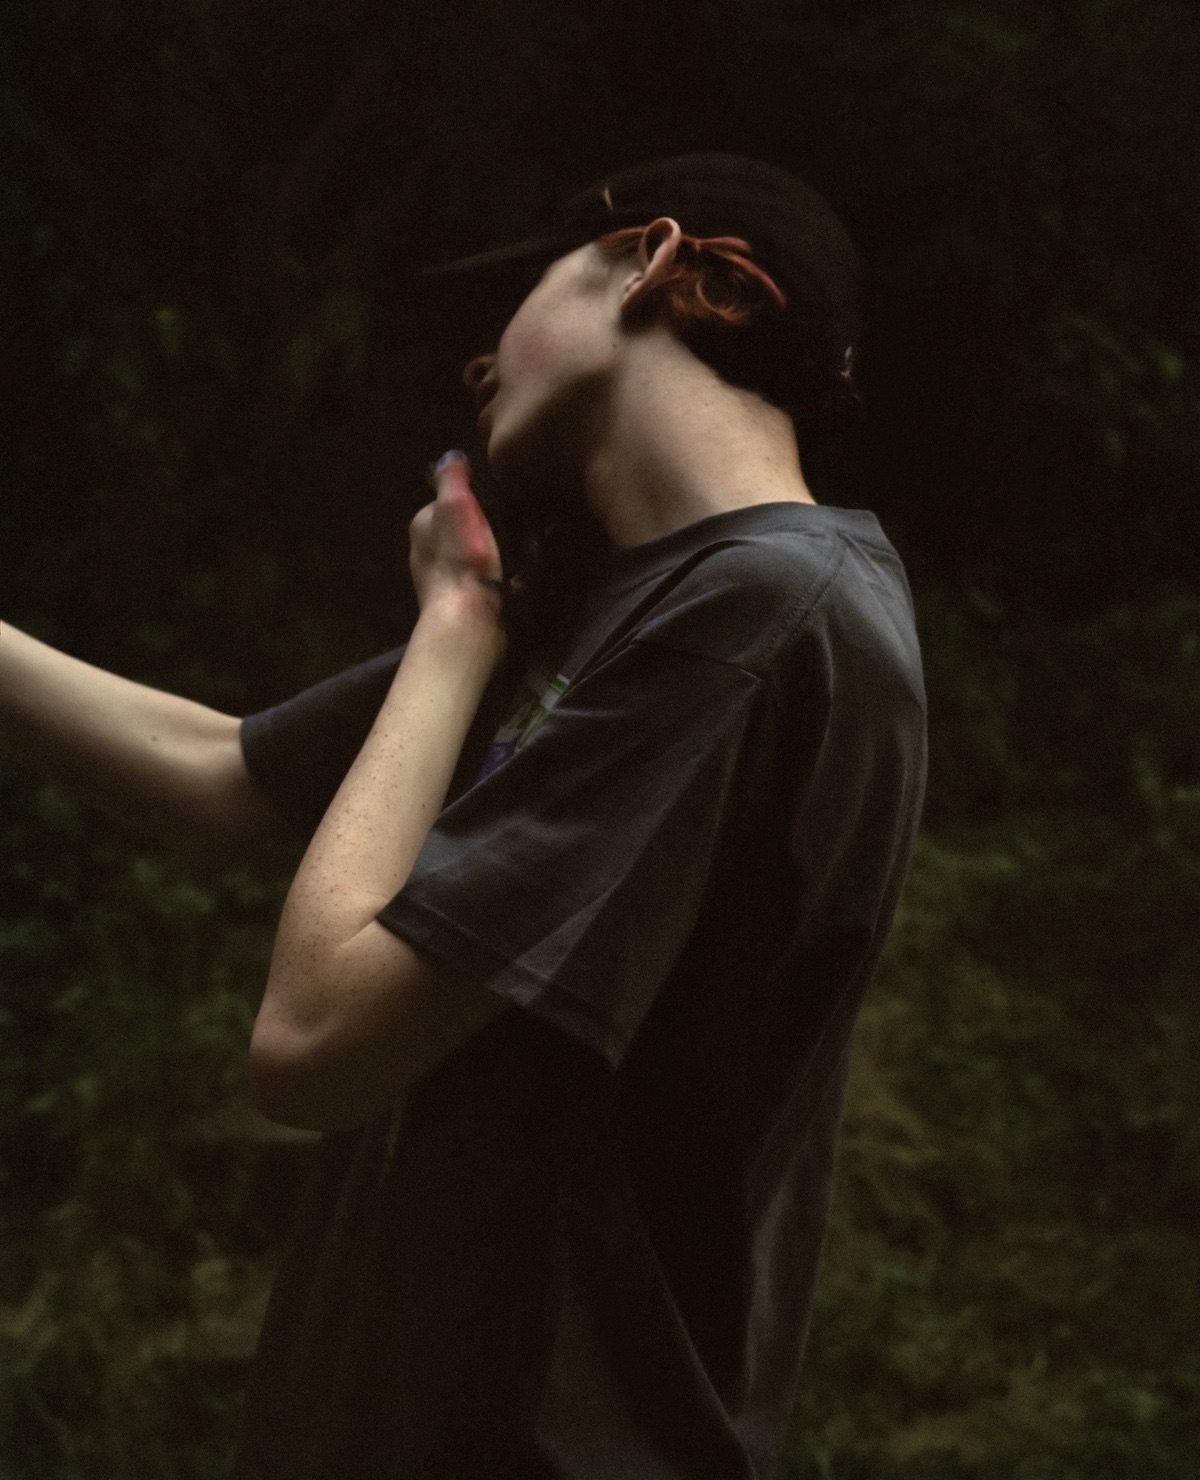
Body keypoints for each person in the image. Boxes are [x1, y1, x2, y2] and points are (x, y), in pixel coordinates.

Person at [0, 155, 926, 1478]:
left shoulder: (757, 616)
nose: (477, 361)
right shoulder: (618, 615)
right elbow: (217, 776)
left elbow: (315, 1038)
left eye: (516, 298)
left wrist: (448, 634)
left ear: (653, 265)